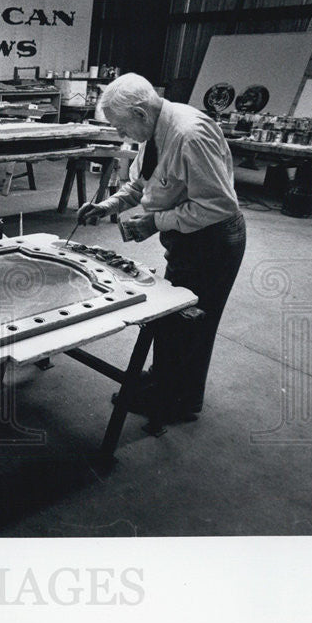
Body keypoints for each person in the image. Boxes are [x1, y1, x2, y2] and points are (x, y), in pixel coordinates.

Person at [77, 72, 246, 426]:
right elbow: (143, 182)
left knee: (193, 324)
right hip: (188, 237)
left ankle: (179, 403)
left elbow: (218, 206)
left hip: (213, 241)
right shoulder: (155, 129)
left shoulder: (188, 135)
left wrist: (154, 222)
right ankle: (162, 380)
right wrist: (108, 206)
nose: (122, 136)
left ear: (140, 112)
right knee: (172, 319)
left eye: (121, 128)